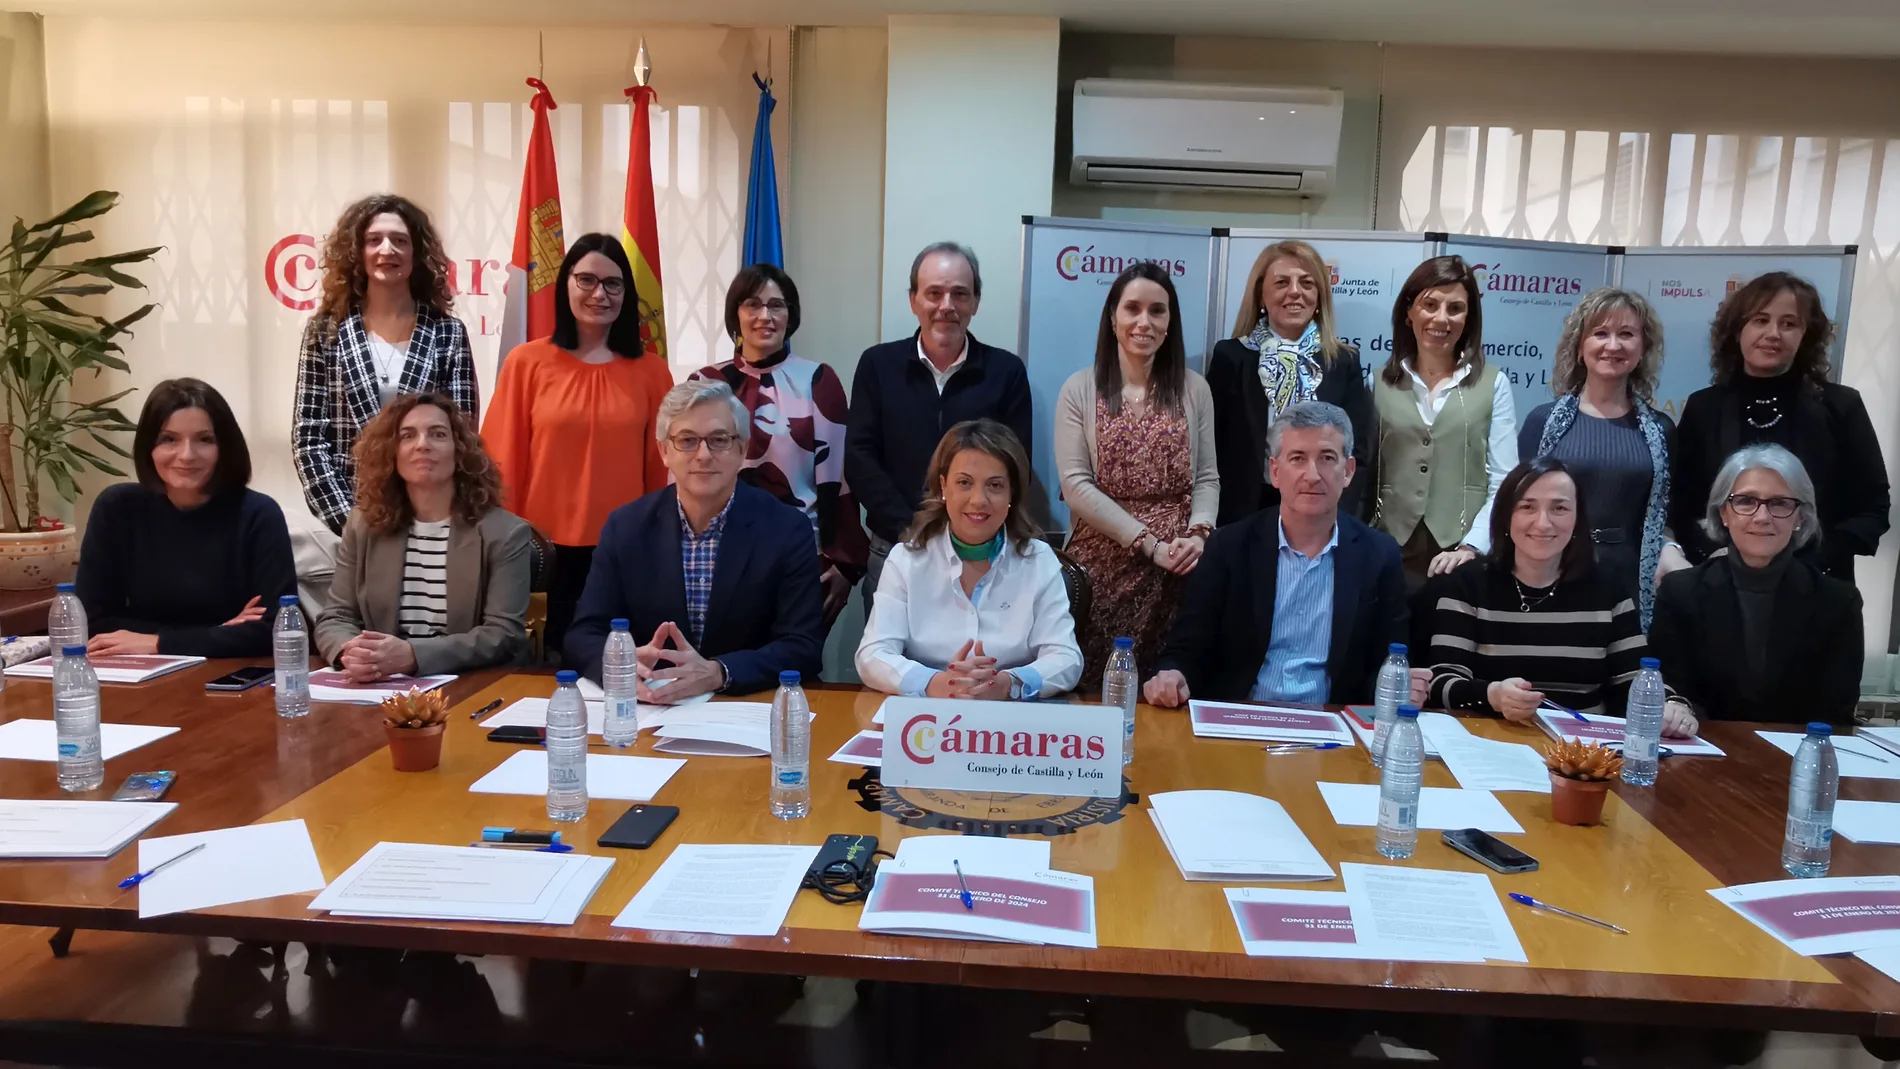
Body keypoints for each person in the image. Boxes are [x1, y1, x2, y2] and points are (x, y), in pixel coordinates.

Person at [1144, 402, 1423, 709]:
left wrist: (1399, 686)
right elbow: (1187, 650)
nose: (1313, 475)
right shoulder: (1228, 547)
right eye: (1298, 459)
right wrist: (1174, 676)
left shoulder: (1379, 555)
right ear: (1275, 472)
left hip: (1333, 729)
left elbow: (1385, 665)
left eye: (1327, 458)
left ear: (1349, 471)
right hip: (1240, 720)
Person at [564, 380, 823, 698]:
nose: (703, 455)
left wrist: (719, 672)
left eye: (719, 440)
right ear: (664, 451)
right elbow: (584, 634)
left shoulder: (787, 529)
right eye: (687, 440)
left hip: (746, 706)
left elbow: (803, 645)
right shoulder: (626, 527)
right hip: (651, 706)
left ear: (742, 449)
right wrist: (620, 666)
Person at [483, 234, 674, 661]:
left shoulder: (652, 372)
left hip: (623, 549)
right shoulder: (527, 363)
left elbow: (659, 470)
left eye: (613, 283)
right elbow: (502, 454)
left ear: (627, 292)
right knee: (546, 670)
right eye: (586, 280)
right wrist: (505, 544)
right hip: (542, 550)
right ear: (565, 283)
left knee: (618, 668)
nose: (599, 294)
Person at [1420, 457, 1694, 731]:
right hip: (1487, 739)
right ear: (1505, 516)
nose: (1543, 523)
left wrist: (1672, 704)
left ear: (1578, 519)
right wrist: (1492, 695)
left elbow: (1634, 678)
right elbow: (1442, 681)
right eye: (1527, 507)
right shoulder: (1466, 584)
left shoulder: (1608, 586)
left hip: (1584, 748)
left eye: (1559, 508)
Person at [845, 242, 1033, 613]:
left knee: (973, 664)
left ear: (975, 302)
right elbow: (859, 457)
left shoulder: (1006, 373)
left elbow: (1017, 465)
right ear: (914, 300)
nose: (946, 305)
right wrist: (915, 530)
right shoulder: (878, 366)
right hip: (896, 548)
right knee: (889, 666)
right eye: (934, 293)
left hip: (981, 555)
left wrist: (964, 533)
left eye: (959, 294)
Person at [1055, 262, 1217, 690]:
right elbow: (1075, 486)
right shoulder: (1079, 389)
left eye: (1157, 311)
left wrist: (1198, 536)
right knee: (1096, 688)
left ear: (1170, 322)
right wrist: (1149, 544)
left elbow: (1207, 479)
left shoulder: (1195, 389)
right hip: (1102, 567)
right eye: (1133, 309)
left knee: (1167, 689)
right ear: (1113, 318)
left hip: (1179, 569)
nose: (1144, 321)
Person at [1670, 271, 1889, 584]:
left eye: (1789, 324)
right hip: (1717, 585)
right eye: (1760, 320)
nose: (1773, 333)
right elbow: (1682, 504)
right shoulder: (1705, 407)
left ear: (1806, 335)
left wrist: (1814, 561)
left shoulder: (1841, 406)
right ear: (1737, 330)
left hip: (1818, 587)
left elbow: (1873, 507)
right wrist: (1712, 556)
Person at [689, 264, 867, 629]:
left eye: (777, 305)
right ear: (735, 315)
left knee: (793, 671)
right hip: (715, 560)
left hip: (801, 561)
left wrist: (845, 563)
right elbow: (681, 473)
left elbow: (840, 481)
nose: (765, 316)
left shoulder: (818, 379)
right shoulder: (704, 384)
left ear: (791, 315)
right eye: (753, 304)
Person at [293, 193, 478, 537]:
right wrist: (350, 524)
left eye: (400, 241)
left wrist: (435, 518)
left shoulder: (447, 332)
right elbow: (309, 439)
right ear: (356, 253)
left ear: (416, 254)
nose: (387, 250)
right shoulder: (325, 332)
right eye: (374, 240)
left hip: (432, 520)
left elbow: (462, 435)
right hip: (352, 517)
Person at [857, 419, 1081, 700]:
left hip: (1012, 723)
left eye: (995, 485)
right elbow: (873, 654)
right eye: (964, 483)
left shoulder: (1038, 559)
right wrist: (935, 683)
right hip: (925, 720)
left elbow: (1066, 658)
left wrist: (1008, 684)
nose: (978, 500)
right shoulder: (906, 560)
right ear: (943, 487)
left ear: (1012, 493)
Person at [315, 394, 533, 679]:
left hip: (469, 683)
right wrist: (351, 653)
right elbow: (336, 617)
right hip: (382, 684)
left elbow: (502, 635)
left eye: (438, 434)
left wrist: (413, 655)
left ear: (460, 450)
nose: (422, 444)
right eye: (407, 436)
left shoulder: (505, 533)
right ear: (391, 452)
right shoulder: (363, 525)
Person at [77, 379, 296, 657]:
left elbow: (276, 630)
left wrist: (157, 642)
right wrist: (217, 632)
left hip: (229, 679)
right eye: (169, 439)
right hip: (136, 677)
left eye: (205, 440)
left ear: (224, 447)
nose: (187, 455)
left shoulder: (258, 514)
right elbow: (93, 624)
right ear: (149, 447)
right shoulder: (117, 508)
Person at [1650, 445, 1861, 726]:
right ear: (1724, 513)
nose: (1762, 517)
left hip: (1795, 758)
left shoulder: (1838, 602)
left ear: (1800, 517)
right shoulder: (1679, 592)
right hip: (1701, 753)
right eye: (1746, 501)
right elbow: (1672, 689)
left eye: (1780, 503)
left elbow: (1836, 711)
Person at [1520, 288, 1688, 627]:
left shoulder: (1661, 429)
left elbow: (1668, 516)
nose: (1613, 345)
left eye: (1626, 334)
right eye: (1600, 333)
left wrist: (1671, 550)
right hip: (1553, 571)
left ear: (1642, 350)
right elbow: (1517, 507)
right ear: (1580, 347)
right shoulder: (1542, 421)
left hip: (1629, 581)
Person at [1370, 256, 1518, 583]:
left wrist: (1472, 546)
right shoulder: (1376, 382)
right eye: (1430, 304)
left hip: (1460, 556)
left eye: (1455, 308)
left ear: (1469, 318)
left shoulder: (1494, 384)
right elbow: (1364, 472)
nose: (1441, 318)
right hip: (1388, 549)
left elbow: (1504, 481)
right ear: (1409, 313)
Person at [1207, 240, 1373, 524]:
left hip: (1321, 508)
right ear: (1261, 296)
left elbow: (1357, 449)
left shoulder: (1343, 362)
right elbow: (1212, 448)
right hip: (1243, 512)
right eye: (1282, 282)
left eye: (1307, 283)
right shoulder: (1231, 357)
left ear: (1319, 297)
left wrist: (1338, 516)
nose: (1294, 292)